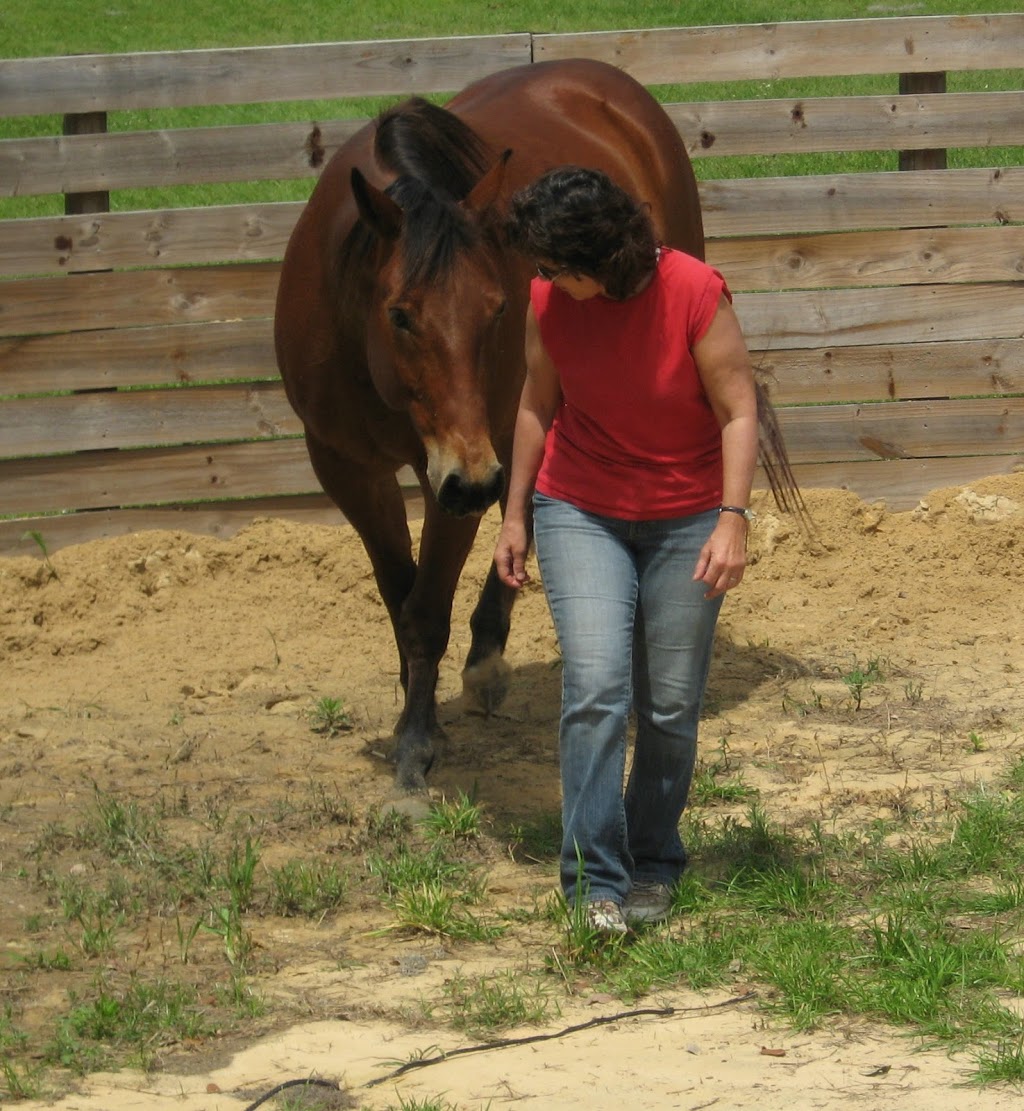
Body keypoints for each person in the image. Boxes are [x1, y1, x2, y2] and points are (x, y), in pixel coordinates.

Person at [494, 166, 759, 936]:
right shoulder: (548, 301)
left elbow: (740, 409)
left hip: (687, 515)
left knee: (670, 705)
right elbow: (536, 402)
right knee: (596, 688)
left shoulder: (694, 292)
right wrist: (514, 515)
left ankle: (653, 862)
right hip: (580, 507)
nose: (540, 278)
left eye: (552, 264)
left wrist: (732, 517)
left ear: (596, 260)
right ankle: (593, 883)